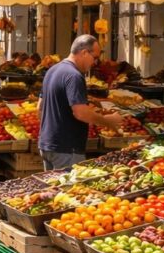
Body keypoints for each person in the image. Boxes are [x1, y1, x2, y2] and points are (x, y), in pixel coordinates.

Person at [38, 35, 124, 170]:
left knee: (52, 190)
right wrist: (109, 121)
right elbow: (80, 113)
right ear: (84, 52)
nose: (95, 62)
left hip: (47, 145)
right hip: (66, 148)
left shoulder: (52, 70)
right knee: (69, 190)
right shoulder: (74, 76)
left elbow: (40, 107)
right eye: (94, 57)